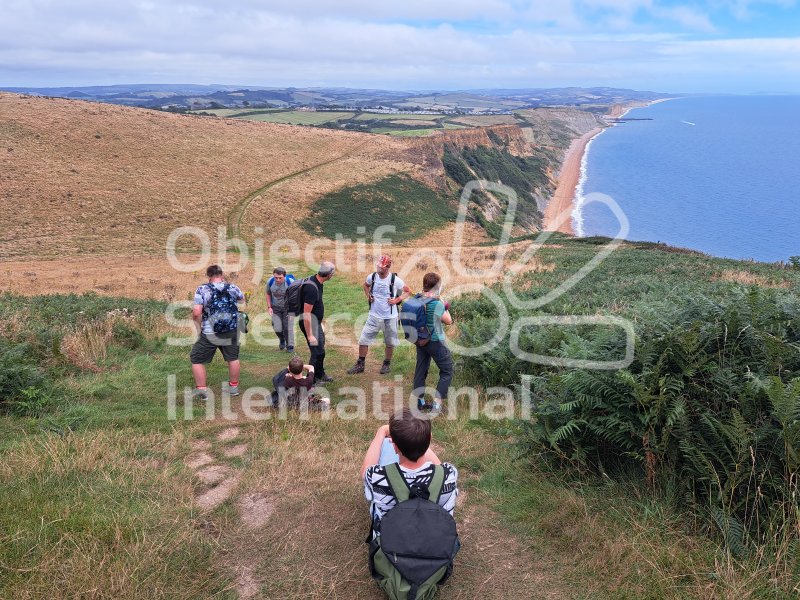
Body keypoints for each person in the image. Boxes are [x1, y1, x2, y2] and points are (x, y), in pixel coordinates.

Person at [361, 407, 459, 538]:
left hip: (392, 549)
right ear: (430, 439)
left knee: (371, 492)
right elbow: (438, 467)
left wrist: (381, 432)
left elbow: (366, 469)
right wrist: (420, 440)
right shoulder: (449, 474)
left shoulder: (378, 477)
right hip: (435, 545)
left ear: (395, 447)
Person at [347, 255, 411, 376]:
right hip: (374, 315)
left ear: (387, 267)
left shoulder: (395, 280)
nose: (378, 268)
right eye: (378, 265)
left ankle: (386, 364)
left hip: (390, 317)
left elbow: (408, 291)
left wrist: (397, 300)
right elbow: (365, 285)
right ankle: (360, 364)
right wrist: (368, 296)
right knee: (363, 339)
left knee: (390, 342)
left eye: (381, 267)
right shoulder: (372, 277)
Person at [190, 264, 245, 398]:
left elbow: (197, 312)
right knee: (233, 358)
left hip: (210, 331)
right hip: (231, 328)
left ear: (209, 276)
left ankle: (202, 392)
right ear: (221, 274)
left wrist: (198, 328)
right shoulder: (233, 287)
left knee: (196, 359)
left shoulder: (202, 289)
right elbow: (243, 303)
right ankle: (233, 389)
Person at [412, 272, 453, 412]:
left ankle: (420, 402)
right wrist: (444, 304)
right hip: (435, 341)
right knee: (447, 370)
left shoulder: (417, 298)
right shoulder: (436, 303)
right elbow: (449, 321)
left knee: (421, 369)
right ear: (437, 286)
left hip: (420, 340)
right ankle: (437, 405)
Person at [299, 260, 335, 384]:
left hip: (315, 322)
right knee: (317, 353)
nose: (333, 275)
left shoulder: (317, 281)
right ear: (329, 274)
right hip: (309, 324)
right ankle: (311, 381)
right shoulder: (312, 288)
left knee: (320, 350)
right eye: (333, 272)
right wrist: (310, 335)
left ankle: (320, 374)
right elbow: (306, 314)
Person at [266, 267, 296, 352]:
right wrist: (269, 307)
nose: (278, 280)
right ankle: (282, 339)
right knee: (276, 326)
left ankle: (290, 346)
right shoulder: (270, 282)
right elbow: (268, 294)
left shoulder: (291, 283)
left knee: (287, 327)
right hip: (275, 307)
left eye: (280, 278)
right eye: (276, 277)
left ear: (284, 276)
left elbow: (296, 297)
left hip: (288, 308)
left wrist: (292, 311)